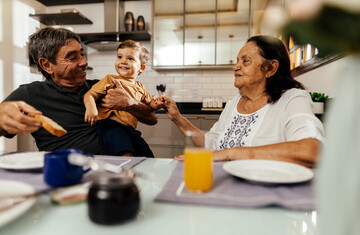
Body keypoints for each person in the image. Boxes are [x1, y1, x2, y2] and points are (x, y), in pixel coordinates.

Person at [162, 35, 324, 167]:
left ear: (270, 68)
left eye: (245, 61)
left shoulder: (292, 99)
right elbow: (211, 144)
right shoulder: (234, 103)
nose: (236, 66)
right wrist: (178, 118)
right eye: (237, 60)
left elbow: (313, 150)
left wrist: (232, 153)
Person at [1, 26, 158, 155]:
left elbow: (152, 118)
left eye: (82, 54)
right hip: (73, 177)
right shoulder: (31, 94)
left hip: (124, 171)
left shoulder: (100, 86)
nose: (84, 62)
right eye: (72, 57)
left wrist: (129, 104)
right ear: (47, 65)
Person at [83, 40, 164, 157]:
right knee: (125, 153)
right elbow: (90, 95)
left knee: (148, 156)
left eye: (130, 59)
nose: (123, 61)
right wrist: (91, 108)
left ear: (141, 67)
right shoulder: (110, 79)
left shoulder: (140, 87)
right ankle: (125, 174)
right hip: (111, 126)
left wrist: (158, 103)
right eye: (120, 57)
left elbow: (151, 105)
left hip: (130, 130)